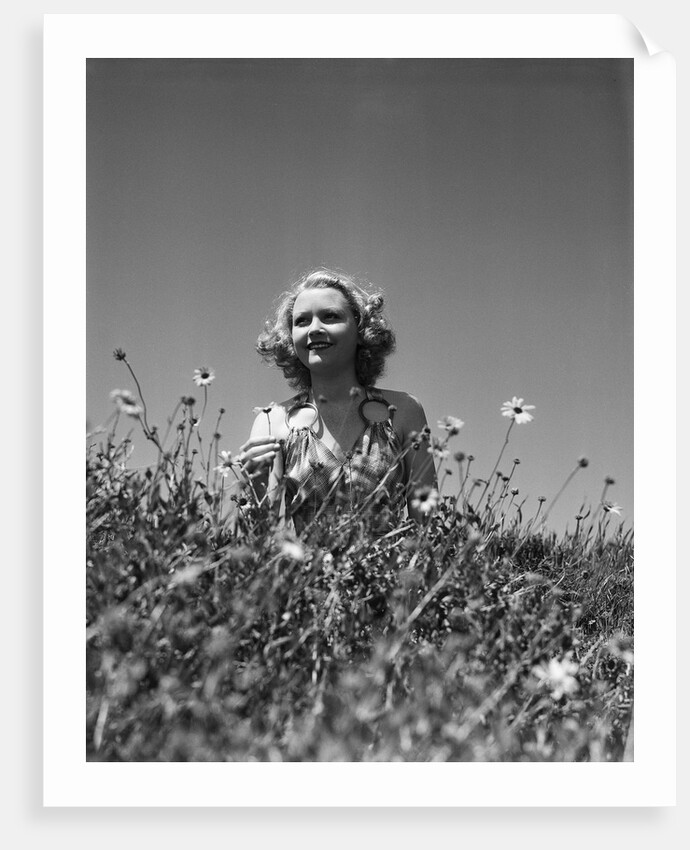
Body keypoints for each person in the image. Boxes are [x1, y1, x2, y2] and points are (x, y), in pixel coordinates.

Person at [238, 268, 437, 533]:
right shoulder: (272, 421)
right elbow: (259, 541)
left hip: (389, 573)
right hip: (307, 575)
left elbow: (429, 530)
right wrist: (256, 487)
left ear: (361, 330)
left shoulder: (404, 411)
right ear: (290, 338)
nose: (314, 329)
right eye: (302, 321)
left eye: (330, 316)